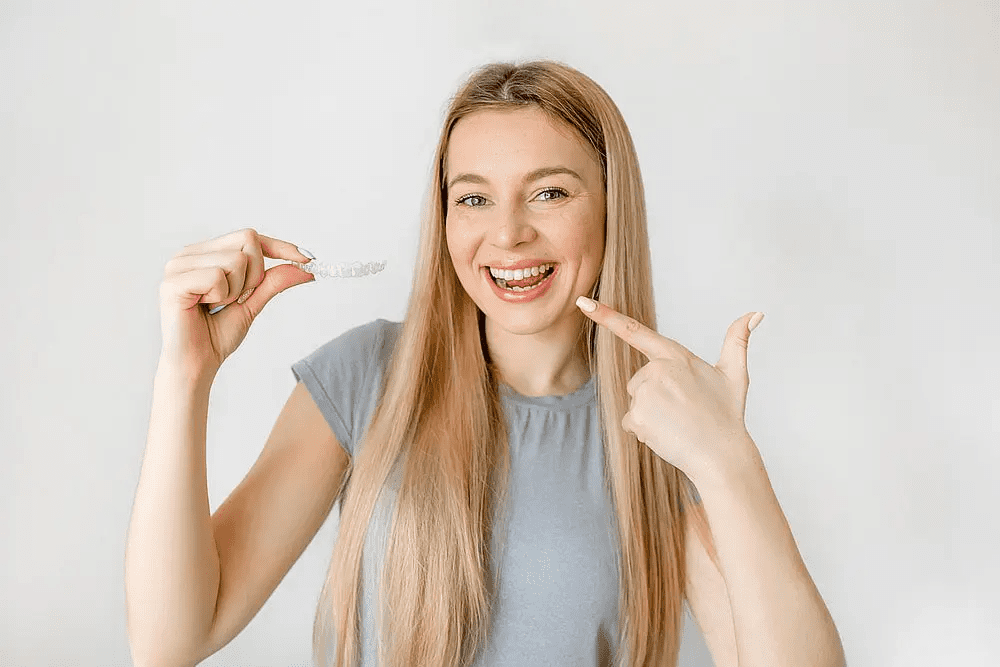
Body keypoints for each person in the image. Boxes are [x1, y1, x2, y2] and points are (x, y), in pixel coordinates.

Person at [125, 60, 760, 667]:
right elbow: (172, 641)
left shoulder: (665, 422)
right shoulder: (365, 376)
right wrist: (186, 374)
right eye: (475, 199)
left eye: (548, 192)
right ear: (446, 217)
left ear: (610, 205)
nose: (508, 233)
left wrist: (729, 460)